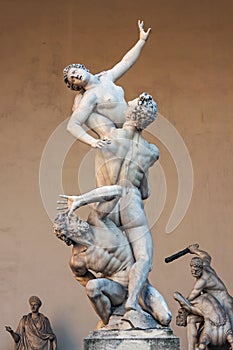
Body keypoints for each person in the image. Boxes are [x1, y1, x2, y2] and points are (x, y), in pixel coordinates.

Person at [58, 93, 160, 313]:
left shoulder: (109, 134)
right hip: (131, 203)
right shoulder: (152, 152)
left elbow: (82, 114)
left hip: (107, 203)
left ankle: (116, 299)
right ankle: (132, 301)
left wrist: (83, 92)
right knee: (142, 258)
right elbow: (146, 191)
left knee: (103, 254)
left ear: (128, 113)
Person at [54, 185, 171, 328]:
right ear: (67, 233)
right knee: (92, 287)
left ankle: (131, 306)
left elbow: (117, 191)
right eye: (71, 221)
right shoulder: (78, 261)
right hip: (117, 290)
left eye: (73, 217)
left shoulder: (96, 220)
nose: (76, 219)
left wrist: (81, 200)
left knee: (165, 318)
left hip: (140, 283)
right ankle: (108, 322)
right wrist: (106, 296)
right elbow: (86, 281)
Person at [64, 20, 151, 153]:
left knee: (153, 151)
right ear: (75, 86)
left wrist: (141, 41)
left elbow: (126, 62)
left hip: (134, 128)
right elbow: (72, 125)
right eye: (73, 79)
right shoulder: (90, 96)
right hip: (119, 136)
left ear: (83, 68)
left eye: (75, 72)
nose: (76, 77)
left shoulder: (106, 77)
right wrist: (93, 141)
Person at [187, 244, 233, 329]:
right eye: (192, 270)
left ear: (201, 268)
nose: (194, 273)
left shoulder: (203, 281)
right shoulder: (205, 265)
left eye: (197, 271)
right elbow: (206, 256)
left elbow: (191, 298)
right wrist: (195, 250)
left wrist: (182, 302)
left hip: (225, 303)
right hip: (215, 303)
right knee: (192, 319)